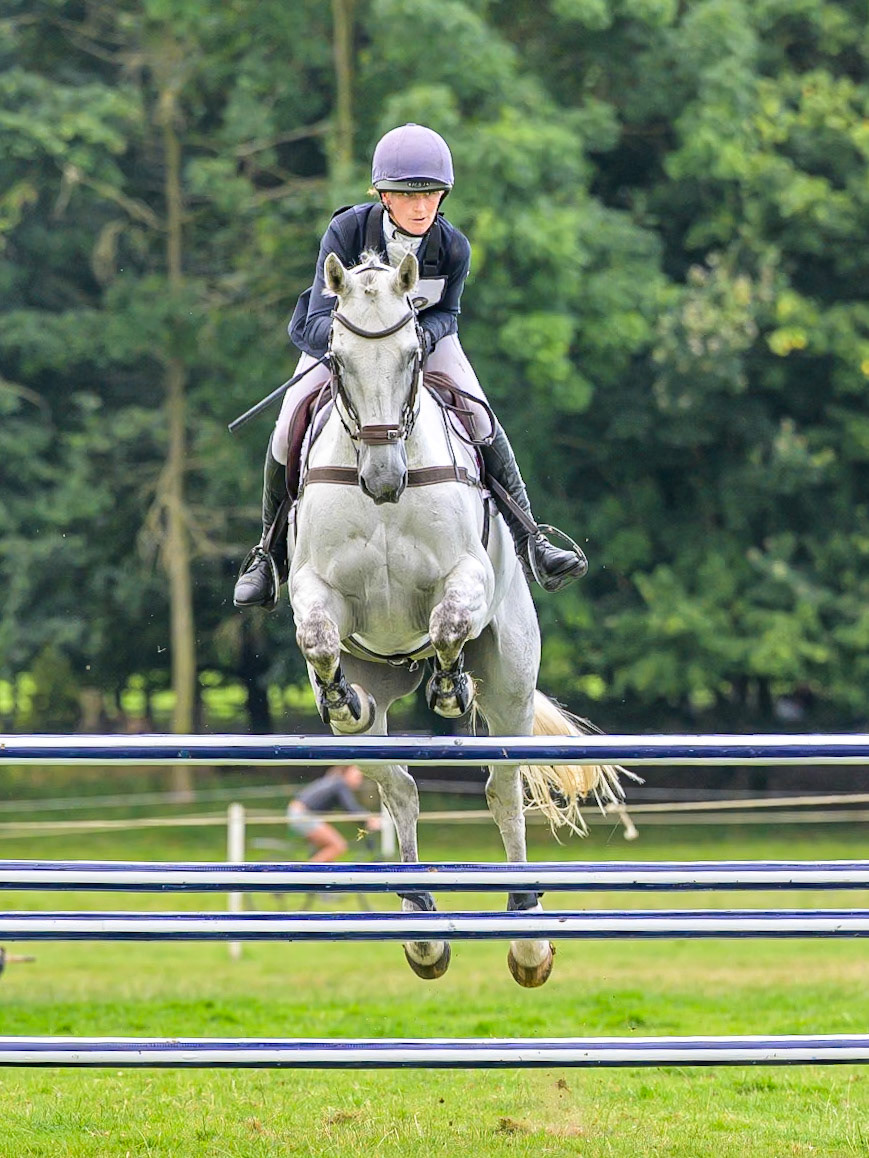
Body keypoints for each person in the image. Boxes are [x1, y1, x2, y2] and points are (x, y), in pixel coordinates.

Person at [234, 122, 588, 610]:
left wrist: (420, 337)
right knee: (288, 423)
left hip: (420, 343)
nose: (422, 207)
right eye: (407, 195)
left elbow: (449, 314)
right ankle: (268, 556)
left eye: (431, 194)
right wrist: (356, 345)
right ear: (384, 196)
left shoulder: (453, 246)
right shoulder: (346, 231)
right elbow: (316, 316)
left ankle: (532, 541)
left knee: (482, 416)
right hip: (347, 343)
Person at [287, 764, 380, 864]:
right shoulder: (340, 784)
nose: (360, 780)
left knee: (327, 853)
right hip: (303, 815)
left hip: (298, 813)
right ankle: (306, 872)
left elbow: (350, 811)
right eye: (357, 776)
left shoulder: (335, 781)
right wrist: (369, 819)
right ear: (346, 772)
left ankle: (319, 872)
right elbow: (351, 809)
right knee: (338, 846)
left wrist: (365, 820)